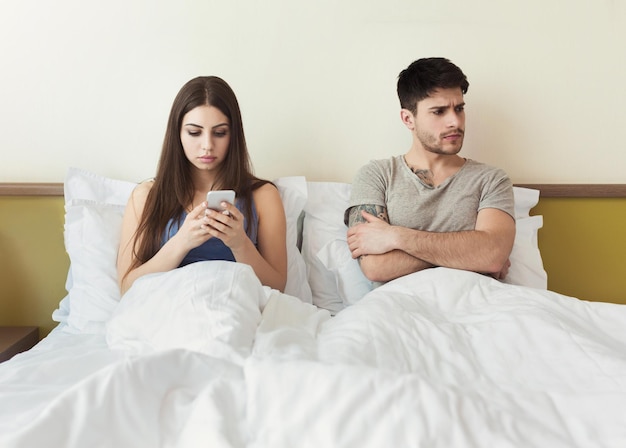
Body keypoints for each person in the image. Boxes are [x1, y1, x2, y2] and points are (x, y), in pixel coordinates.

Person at [344, 57, 515, 284]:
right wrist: (471, 255)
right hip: (398, 309)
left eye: (459, 109)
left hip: (477, 306)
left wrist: (396, 236)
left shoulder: (491, 180)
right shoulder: (377, 175)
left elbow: (492, 255)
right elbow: (376, 267)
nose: (455, 121)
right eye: (439, 111)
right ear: (408, 119)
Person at [117, 76, 287, 295]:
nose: (207, 145)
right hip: (169, 312)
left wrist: (240, 244)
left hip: (237, 311)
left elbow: (278, 288)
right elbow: (126, 288)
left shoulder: (263, 196)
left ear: (233, 135)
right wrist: (181, 242)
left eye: (219, 133)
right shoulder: (145, 196)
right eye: (194, 132)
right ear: (177, 133)